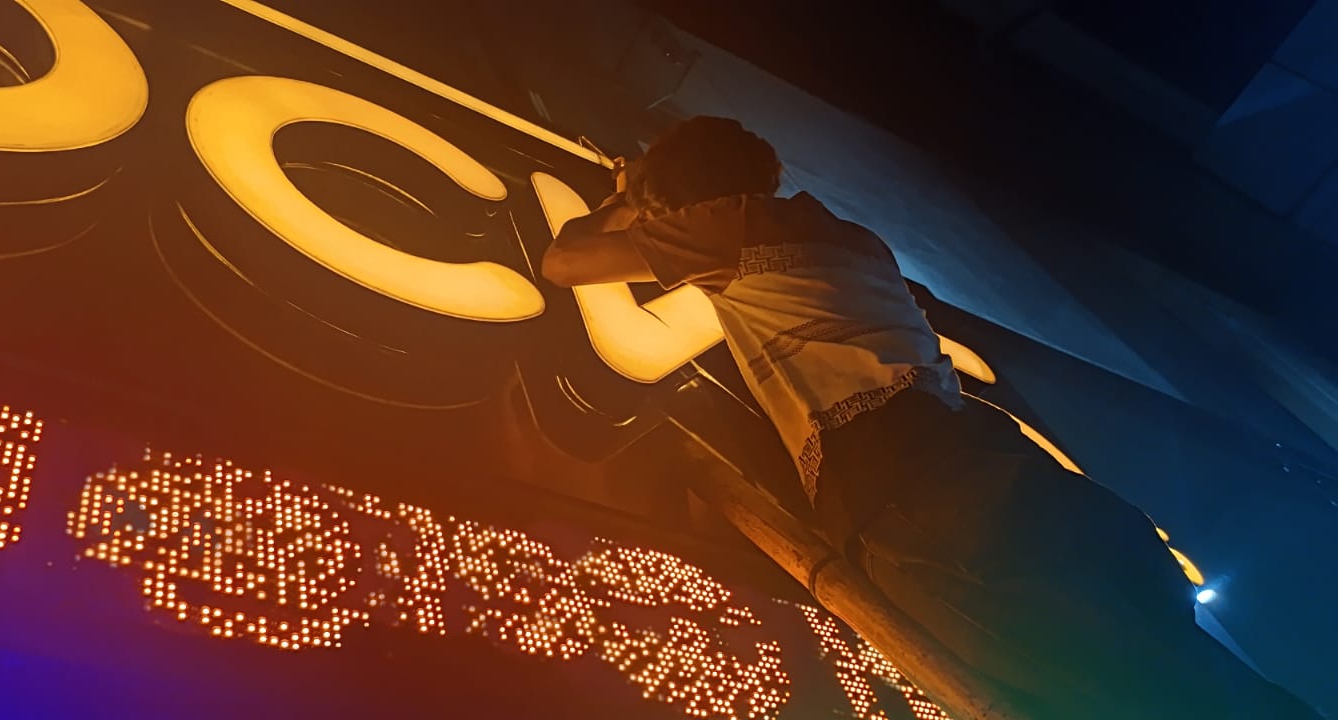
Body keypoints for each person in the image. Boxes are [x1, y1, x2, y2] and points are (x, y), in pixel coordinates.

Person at [541, 116, 1321, 719]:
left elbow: (567, 260)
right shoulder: (853, 240)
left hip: (904, 483)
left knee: (1091, 683)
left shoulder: (733, 227)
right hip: (986, 456)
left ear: (686, 200)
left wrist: (625, 195)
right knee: (1183, 666)